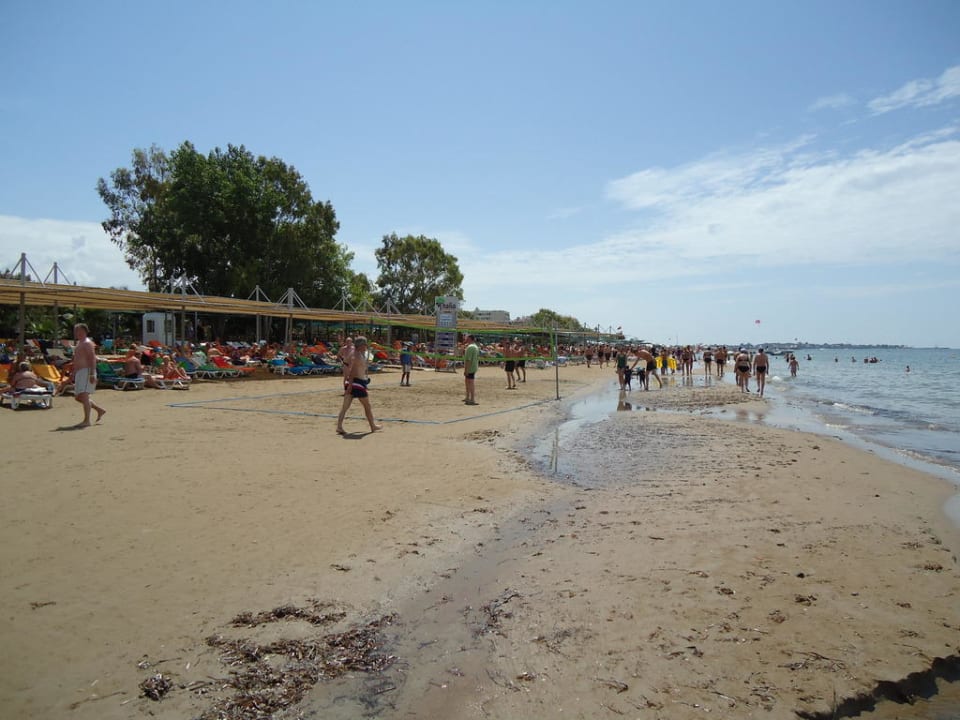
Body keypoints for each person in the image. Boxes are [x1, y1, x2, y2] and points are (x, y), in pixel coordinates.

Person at [335, 337, 382, 434]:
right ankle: (372, 426)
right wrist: (351, 384)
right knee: (367, 405)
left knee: (345, 407)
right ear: (361, 346)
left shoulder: (356, 353)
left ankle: (339, 426)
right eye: (365, 345)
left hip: (354, 382)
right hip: (356, 383)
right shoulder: (356, 355)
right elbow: (352, 370)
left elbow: (346, 362)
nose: (366, 347)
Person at [71, 323, 106, 426]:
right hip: (80, 372)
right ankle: (99, 409)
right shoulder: (79, 343)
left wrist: (92, 374)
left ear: (85, 331)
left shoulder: (87, 343)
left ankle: (86, 420)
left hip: (86, 371)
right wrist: (74, 372)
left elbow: (92, 358)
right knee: (78, 397)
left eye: (79, 331)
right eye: (76, 331)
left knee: (84, 396)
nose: (77, 333)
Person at [463, 334, 479, 405]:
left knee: (470, 383)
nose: (465, 339)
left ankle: (472, 399)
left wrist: (466, 370)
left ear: (470, 339)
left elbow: (468, 360)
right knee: (468, 382)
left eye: (467, 338)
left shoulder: (470, 347)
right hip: (474, 367)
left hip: (470, 367)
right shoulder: (475, 346)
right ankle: (468, 397)